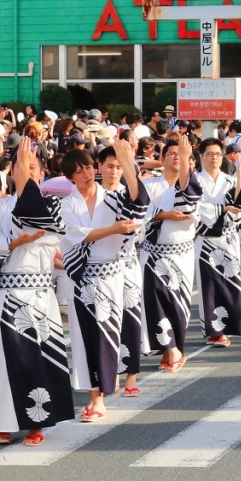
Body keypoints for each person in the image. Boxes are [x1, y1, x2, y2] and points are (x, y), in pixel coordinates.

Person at [0, 138, 75, 447]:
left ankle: (37, 423)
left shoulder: (51, 205)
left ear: (41, 173)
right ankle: (2, 422)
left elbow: (51, 238)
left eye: (32, 167)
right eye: (21, 166)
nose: (27, 171)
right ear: (11, 172)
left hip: (39, 291)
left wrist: (23, 237)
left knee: (38, 357)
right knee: (5, 361)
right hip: (10, 292)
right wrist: (13, 242)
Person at [61, 141, 148, 421]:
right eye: (79, 171)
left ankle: (118, 381)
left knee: (108, 335)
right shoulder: (66, 204)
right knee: (85, 338)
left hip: (113, 275)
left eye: (88, 167)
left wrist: (127, 162)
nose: (87, 174)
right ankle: (95, 399)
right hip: (83, 279)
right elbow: (77, 235)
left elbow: (138, 203)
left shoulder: (112, 196)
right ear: (70, 177)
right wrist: (113, 228)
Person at [95, 146, 148, 397]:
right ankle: (108, 373)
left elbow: (139, 210)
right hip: (99, 270)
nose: (114, 171)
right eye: (109, 166)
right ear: (99, 167)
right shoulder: (92, 195)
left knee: (131, 318)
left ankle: (131, 374)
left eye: (119, 167)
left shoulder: (129, 194)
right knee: (104, 322)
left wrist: (128, 162)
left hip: (126, 264)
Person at [142, 141, 199, 372]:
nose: (176, 157)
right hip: (153, 253)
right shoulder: (148, 185)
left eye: (181, 154)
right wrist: (163, 214)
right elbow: (138, 214)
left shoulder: (194, 184)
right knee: (154, 302)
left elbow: (193, 210)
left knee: (177, 304)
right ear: (162, 159)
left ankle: (173, 348)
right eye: (172, 154)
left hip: (181, 252)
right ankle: (171, 349)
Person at [194, 138, 241, 346]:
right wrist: (222, 210)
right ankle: (214, 331)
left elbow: (240, 207)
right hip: (205, 239)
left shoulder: (231, 180)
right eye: (210, 154)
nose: (214, 158)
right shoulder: (195, 180)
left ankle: (229, 326)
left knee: (231, 283)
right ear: (201, 157)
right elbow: (195, 209)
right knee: (208, 287)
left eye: (218, 154)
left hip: (228, 237)